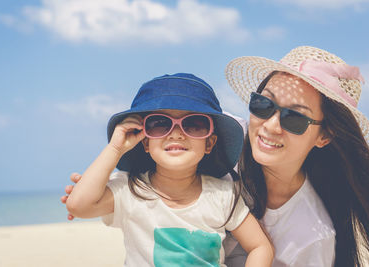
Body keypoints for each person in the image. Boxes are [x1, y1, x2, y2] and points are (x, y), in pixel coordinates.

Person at [64, 73, 274, 266]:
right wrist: (115, 147)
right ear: (144, 141)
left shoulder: (223, 195)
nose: (176, 133)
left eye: (193, 124)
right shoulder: (130, 189)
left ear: (209, 143)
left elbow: (260, 246)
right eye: (159, 123)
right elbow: (78, 206)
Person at [224, 46, 369, 266]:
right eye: (263, 104)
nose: (271, 126)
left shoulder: (313, 238)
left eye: (294, 118)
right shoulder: (214, 139)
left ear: (325, 136)